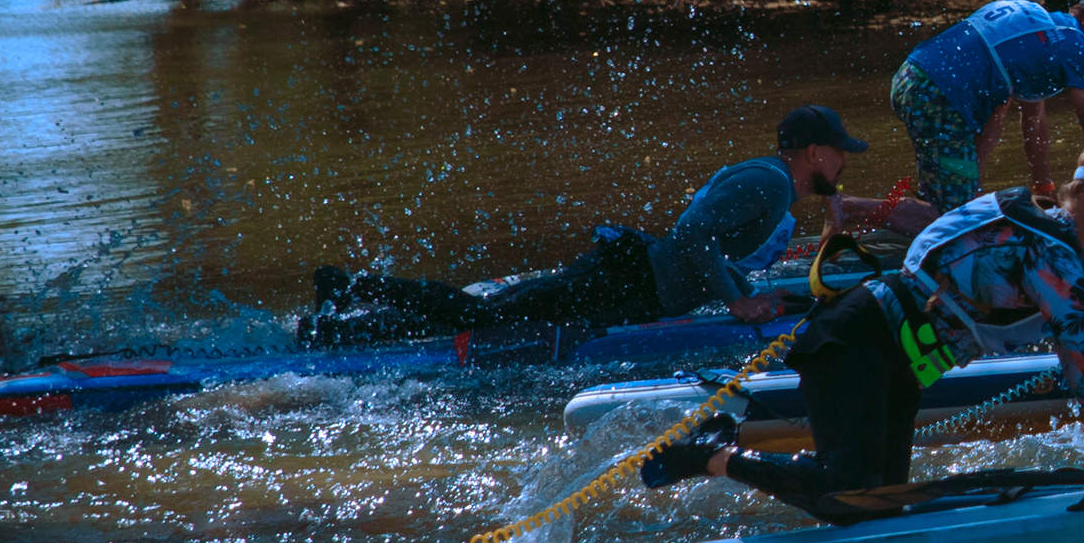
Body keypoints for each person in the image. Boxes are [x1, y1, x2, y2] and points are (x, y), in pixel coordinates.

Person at [642, 135, 1084, 519]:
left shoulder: (1058, 256)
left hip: (898, 363)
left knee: (879, 504)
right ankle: (713, 454)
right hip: (856, 341)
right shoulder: (1051, 257)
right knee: (846, 497)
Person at [302, 104, 868, 344]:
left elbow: (704, 245)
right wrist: (736, 302)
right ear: (814, 153)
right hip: (627, 278)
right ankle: (349, 293)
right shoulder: (769, 184)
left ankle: (349, 324)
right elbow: (692, 235)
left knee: (494, 320)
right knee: (482, 317)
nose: (843, 164)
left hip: (633, 277)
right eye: (840, 154)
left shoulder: (771, 183)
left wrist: (741, 288)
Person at [889, 0, 1084, 216]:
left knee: (953, 199)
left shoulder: (1036, 27)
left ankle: (912, 217)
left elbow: (1030, 119)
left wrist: (1042, 187)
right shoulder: (1078, 47)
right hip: (940, 98)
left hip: (911, 79)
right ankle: (854, 207)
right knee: (955, 219)